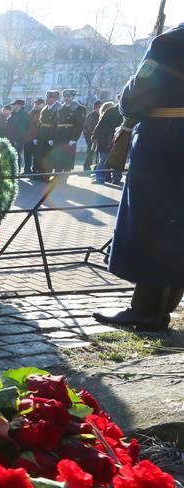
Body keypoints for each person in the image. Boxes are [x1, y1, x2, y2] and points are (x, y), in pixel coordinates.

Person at [94, 23, 184, 331]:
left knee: (154, 224)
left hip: (165, 143)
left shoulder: (170, 42)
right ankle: (165, 305)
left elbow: (134, 100)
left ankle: (147, 311)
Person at [52, 89, 86, 174]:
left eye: (69, 96)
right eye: (65, 96)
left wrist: (74, 138)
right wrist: (52, 137)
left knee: (67, 156)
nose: (66, 98)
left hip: (69, 135)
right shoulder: (60, 108)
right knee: (58, 156)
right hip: (59, 135)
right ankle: (57, 173)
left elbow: (79, 125)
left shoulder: (79, 108)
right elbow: (55, 124)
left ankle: (65, 175)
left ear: (73, 97)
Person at [91, 98, 123, 184]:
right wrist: (94, 136)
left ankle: (116, 179)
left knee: (118, 161)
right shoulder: (110, 111)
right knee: (103, 160)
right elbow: (100, 125)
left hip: (120, 140)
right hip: (106, 140)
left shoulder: (127, 112)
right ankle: (100, 178)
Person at [33, 90, 60, 175]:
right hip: (42, 134)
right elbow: (40, 123)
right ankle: (40, 173)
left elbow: (56, 124)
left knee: (48, 156)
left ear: (54, 98)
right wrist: (36, 137)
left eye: (49, 98)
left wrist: (52, 137)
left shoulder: (59, 108)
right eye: (47, 97)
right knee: (40, 154)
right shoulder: (45, 108)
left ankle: (47, 175)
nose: (47, 99)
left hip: (50, 134)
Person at [5, 99, 31, 168]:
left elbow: (24, 130)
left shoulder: (24, 115)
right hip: (11, 139)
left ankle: (16, 172)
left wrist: (18, 140)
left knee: (17, 156)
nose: (12, 106)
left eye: (14, 105)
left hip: (18, 141)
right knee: (11, 156)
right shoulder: (13, 114)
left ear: (19, 106)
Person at [23, 98, 45, 173]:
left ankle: (35, 170)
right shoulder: (31, 113)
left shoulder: (42, 113)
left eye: (38, 104)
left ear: (42, 105)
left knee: (36, 155)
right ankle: (27, 169)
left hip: (37, 137)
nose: (36, 105)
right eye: (35, 103)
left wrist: (37, 137)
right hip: (28, 137)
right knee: (27, 154)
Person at [82, 100, 103, 171]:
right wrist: (87, 138)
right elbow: (85, 128)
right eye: (98, 107)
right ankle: (86, 167)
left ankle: (97, 166)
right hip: (91, 138)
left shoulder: (103, 115)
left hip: (100, 138)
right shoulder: (90, 116)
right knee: (89, 153)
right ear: (94, 108)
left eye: (100, 107)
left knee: (99, 154)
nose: (99, 108)